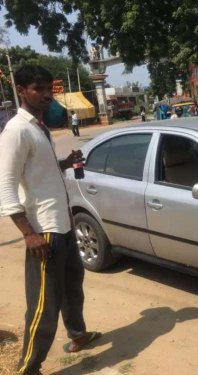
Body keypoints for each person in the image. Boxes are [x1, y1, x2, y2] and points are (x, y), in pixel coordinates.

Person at [0, 65, 100, 375]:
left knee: (73, 289)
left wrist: (64, 163)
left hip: (64, 225)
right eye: (38, 88)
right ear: (22, 91)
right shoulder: (16, 130)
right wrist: (28, 234)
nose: (46, 94)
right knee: (44, 306)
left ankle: (78, 335)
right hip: (44, 233)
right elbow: (5, 184)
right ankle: (28, 368)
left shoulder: (39, 127)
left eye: (49, 88)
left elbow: (39, 171)